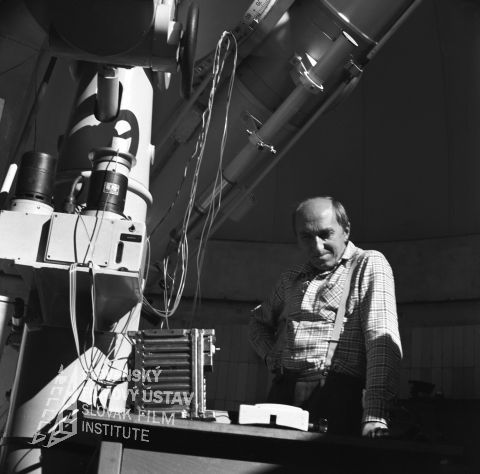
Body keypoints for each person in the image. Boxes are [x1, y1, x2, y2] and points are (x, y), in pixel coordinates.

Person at [248, 196, 402, 437]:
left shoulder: (368, 263)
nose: (317, 246)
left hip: (337, 398)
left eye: (325, 234)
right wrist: (271, 357)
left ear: (346, 230)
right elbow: (258, 322)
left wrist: (375, 414)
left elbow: (381, 341)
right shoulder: (291, 278)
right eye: (306, 237)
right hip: (282, 394)